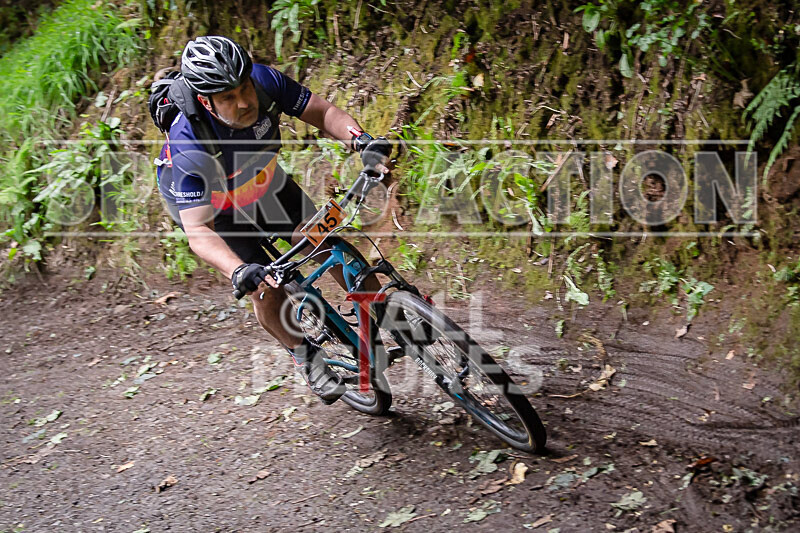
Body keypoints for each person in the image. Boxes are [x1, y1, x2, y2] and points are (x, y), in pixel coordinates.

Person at [155, 36, 391, 405]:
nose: (245, 102)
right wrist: (238, 271)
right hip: (213, 209)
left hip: (260, 179)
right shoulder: (189, 142)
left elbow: (324, 113)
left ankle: (389, 312)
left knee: (324, 240)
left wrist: (362, 141)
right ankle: (305, 355)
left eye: (244, 88)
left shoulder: (265, 82)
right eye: (228, 98)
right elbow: (198, 232)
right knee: (264, 285)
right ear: (206, 100)